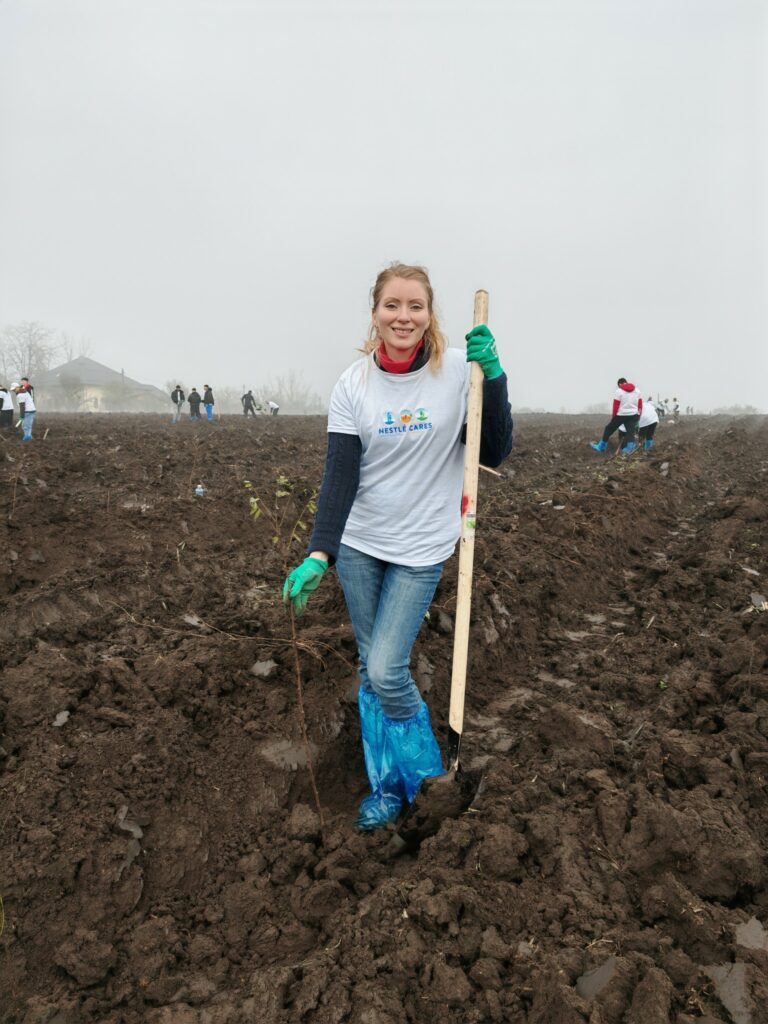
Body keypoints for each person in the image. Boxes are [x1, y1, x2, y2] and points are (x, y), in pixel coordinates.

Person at [282, 263, 513, 831]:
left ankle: (428, 780)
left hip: (421, 546)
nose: (403, 316)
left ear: (430, 315)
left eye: (415, 306)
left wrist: (495, 376)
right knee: (370, 668)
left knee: (387, 669)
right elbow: (340, 477)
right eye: (392, 305)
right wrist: (320, 552)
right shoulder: (352, 386)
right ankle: (386, 788)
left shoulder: (458, 372)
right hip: (362, 544)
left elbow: (495, 451)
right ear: (375, 312)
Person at [590, 377, 642, 454]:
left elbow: (615, 406)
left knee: (608, 429)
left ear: (619, 384)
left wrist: (614, 417)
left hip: (621, 415)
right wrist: (638, 416)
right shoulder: (637, 391)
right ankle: (629, 449)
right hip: (633, 414)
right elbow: (640, 405)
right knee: (630, 432)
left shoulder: (619, 391)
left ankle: (601, 447)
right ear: (626, 382)